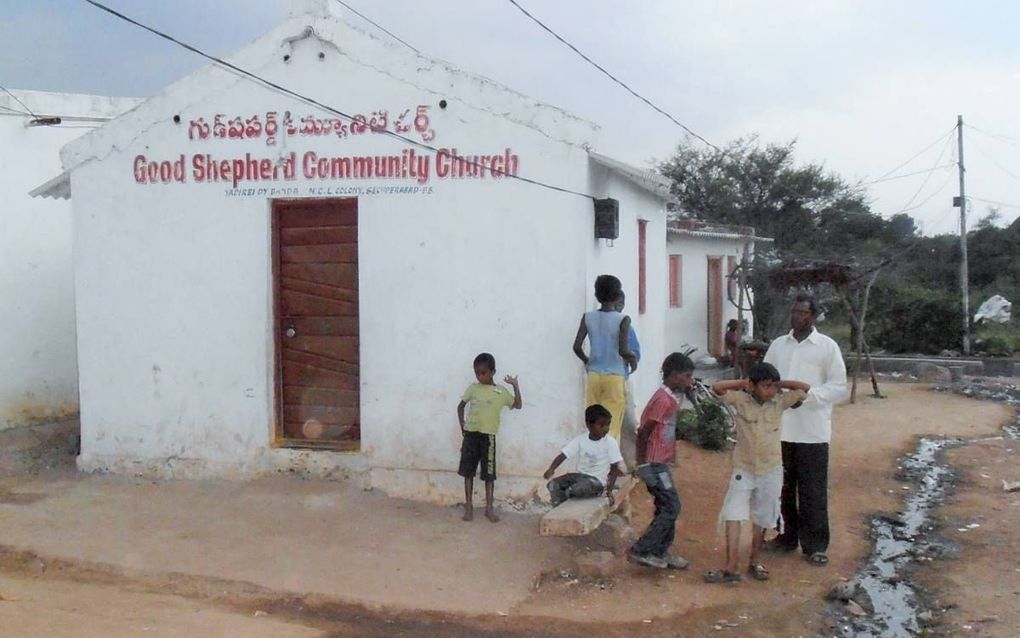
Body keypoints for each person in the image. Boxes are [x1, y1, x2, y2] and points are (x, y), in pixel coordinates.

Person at [703, 362, 810, 584]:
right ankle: (731, 566)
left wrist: (779, 383)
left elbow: (804, 388)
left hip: (771, 470)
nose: (770, 391)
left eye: (773, 386)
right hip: (744, 468)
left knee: (762, 517)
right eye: (765, 386)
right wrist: (744, 383)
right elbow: (717, 388)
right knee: (733, 514)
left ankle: (754, 561)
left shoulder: (779, 402)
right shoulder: (740, 400)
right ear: (752, 386)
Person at [763, 294, 848, 566]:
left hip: (812, 431)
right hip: (780, 431)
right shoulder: (778, 346)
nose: (797, 317)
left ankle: (815, 546)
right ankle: (786, 537)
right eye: (794, 312)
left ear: (813, 316)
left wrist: (807, 397)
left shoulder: (827, 347)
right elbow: (765, 378)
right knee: (782, 488)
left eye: (802, 312)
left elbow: (838, 387)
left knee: (812, 490)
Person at [628, 352, 695, 570]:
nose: (690, 381)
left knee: (665, 506)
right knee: (672, 506)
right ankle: (642, 550)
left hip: (660, 462)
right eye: (687, 376)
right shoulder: (661, 400)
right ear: (674, 376)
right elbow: (643, 433)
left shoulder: (670, 398)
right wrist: (642, 465)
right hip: (654, 463)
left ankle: (659, 550)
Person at [457, 352, 522, 523]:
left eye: (483, 373)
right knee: (468, 472)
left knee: (489, 474)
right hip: (471, 435)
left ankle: (489, 509)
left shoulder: (501, 391)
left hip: (488, 438)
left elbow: (518, 405)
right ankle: (469, 507)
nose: (479, 376)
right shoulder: (473, 388)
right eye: (477, 373)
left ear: (493, 372)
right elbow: (460, 406)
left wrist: (515, 385)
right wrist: (462, 427)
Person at [572, 275, 637, 443]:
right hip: (614, 377)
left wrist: (588, 361)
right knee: (612, 424)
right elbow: (623, 350)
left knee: (594, 423)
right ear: (617, 295)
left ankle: (592, 460)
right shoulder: (623, 319)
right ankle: (610, 464)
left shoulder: (588, 317)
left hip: (594, 376)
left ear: (597, 295)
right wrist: (632, 359)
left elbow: (577, 347)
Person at [543, 404, 625, 506]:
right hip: (579, 477)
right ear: (588, 425)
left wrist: (609, 491)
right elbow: (563, 455)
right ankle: (557, 506)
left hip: (597, 482)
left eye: (608, 424)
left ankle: (564, 504)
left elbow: (614, 469)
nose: (605, 428)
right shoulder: (581, 440)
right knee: (552, 485)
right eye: (601, 425)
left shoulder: (610, 443)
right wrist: (552, 468)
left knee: (574, 490)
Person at [615, 291, 641, 470]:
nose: (619, 307)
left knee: (629, 422)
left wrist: (631, 360)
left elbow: (636, 352)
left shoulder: (626, 326)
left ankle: (632, 464)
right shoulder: (604, 324)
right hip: (608, 380)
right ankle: (616, 465)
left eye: (621, 303)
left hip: (622, 379)